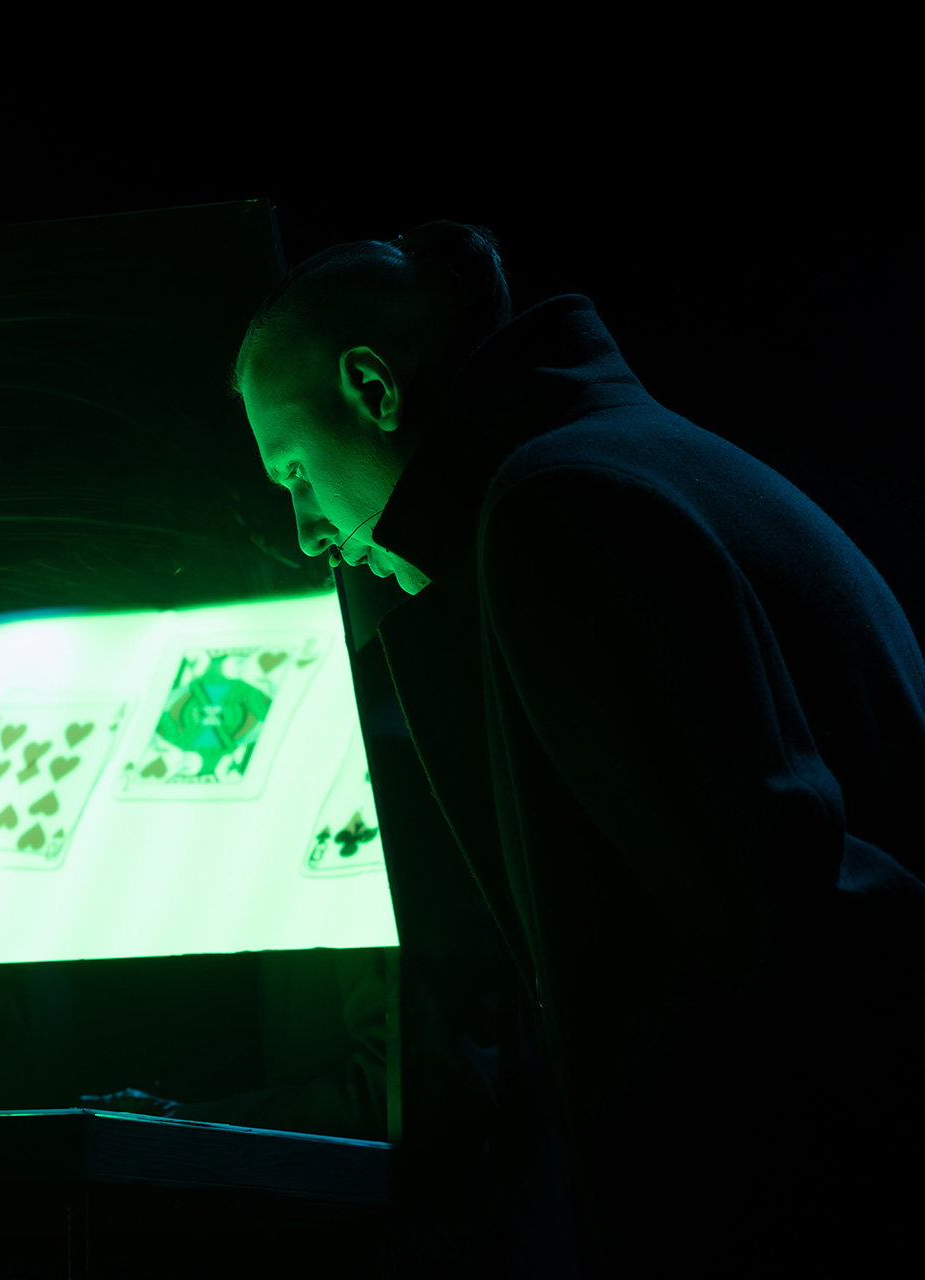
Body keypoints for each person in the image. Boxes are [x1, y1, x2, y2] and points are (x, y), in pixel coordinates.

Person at [222, 221, 923, 1276]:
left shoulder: (561, 510)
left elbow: (791, 923)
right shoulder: (637, 462)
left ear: (371, 388)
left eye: (295, 471)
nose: (309, 530)